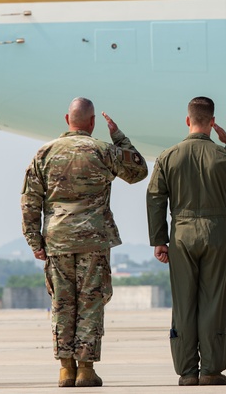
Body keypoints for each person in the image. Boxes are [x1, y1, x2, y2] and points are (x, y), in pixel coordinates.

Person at [21, 97, 148, 388]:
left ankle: (66, 369)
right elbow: (139, 171)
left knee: (62, 304)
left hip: (57, 241)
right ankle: (86, 370)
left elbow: (30, 200)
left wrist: (34, 240)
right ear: (92, 123)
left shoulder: (45, 153)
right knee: (91, 302)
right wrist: (119, 136)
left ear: (68, 120)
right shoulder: (104, 150)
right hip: (94, 240)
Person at [146, 96, 226, 386]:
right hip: (216, 233)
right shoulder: (225, 155)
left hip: (182, 233)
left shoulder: (168, 156)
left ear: (187, 121)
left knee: (184, 303)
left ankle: (187, 372)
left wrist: (159, 239)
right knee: (213, 302)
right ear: (212, 122)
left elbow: (155, 198)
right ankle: (211, 370)